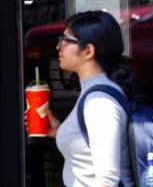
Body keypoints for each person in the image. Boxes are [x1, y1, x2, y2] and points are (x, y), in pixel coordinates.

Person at [28, 10, 135, 187]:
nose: (58, 46)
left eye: (65, 40)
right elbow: (89, 152)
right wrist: (58, 131)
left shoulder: (100, 103)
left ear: (88, 51)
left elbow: (107, 180)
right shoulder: (95, 91)